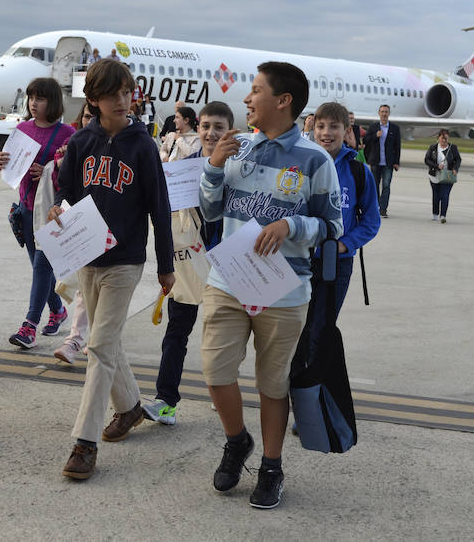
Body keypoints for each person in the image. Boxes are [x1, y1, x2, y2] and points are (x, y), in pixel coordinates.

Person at [198, 61, 342, 509]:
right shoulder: (236, 147)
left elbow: (333, 225)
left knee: (272, 384)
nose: (247, 98)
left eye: (256, 90)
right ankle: (237, 441)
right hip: (228, 279)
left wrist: (291, 225)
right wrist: (214, 167)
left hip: (283, 289)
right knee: (215, 372)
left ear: (283, 101)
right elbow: (210, 212)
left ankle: (271, 466)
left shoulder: (315, 159)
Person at [49, 59, 174, 480]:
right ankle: (131, 407)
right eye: (112, 94)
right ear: (94, 99)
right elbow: (66, 188)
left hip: (126, 260)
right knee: (107, 341)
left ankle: (84, 444)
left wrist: (166, 265)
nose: (122, 100)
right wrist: (58, 207)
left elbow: (160, 206)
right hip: (88, 256)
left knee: (99, 346)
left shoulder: (143, 146)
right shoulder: (82, 141)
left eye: (127, 92)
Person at [143, 101, 232, 426]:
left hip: (228, 263)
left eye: (219, 127)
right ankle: (166, 400)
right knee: (176, 332)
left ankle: (224, 392)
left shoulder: (240, 169)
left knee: (222, 336)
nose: (211, 133)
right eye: (206, 126)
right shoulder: (183, 168)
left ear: (230, 131)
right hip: (190, 261)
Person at [0, 78, 76, 349]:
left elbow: (72, 174)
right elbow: (9, 163)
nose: (33, 103)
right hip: (26, 208)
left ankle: (29, 326)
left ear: (52, 102)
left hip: (51, 210)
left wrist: (49, 172)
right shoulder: (21, 129)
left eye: (40, 98)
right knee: (39, 267)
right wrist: (0, 162)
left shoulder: (67, 133)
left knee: (42, 266)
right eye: (31, 98)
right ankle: (58, 311)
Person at [304, 102, 380, 357]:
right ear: (313, 129)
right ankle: (293, 378)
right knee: (294, 327)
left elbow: (371, 221)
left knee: (321, 329)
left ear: (347, 130)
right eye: (321, 126)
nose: (326, 133)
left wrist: (344, 244)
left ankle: (314, 380)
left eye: (334, 127)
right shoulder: (300, 165)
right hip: (298, 260)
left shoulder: (358, 171)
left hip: (335, 264)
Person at [52, 102, 95, 364]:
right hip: (81, 222)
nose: (90, 121)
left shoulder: (122, 144)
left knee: (102, 289)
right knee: (83, 285)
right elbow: (63, 186)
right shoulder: (75, 144)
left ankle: (95, 338)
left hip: (112, 227)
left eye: (95, 116)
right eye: (87, 116)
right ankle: (76, 340)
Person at [363, 104, 401, 218]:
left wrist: (396, 162)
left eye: (386, 112)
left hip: (388, 162)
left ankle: (383, 209)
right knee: (374, 185)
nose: (384, 114)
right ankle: (375, 207)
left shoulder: (395, 128)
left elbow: (397, 146)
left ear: (389, 113)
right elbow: (366, 140)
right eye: (382, 111)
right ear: (379, 113)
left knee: (386, 185)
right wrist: (375, 136)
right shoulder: (373, 127)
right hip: (375, 161)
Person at [424, 129, 461, 223]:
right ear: (438, 138)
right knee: (436, 196)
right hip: (434, 175)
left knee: (444, 195)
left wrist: (455, 168)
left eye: (446, 138)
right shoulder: (433, 147)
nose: (444, 140)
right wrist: (436, 166)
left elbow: (458, 159)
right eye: (442, 138)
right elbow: (427, 160)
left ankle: (443, 215)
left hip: (448, 176)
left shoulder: (453, 148)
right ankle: (435, 214)